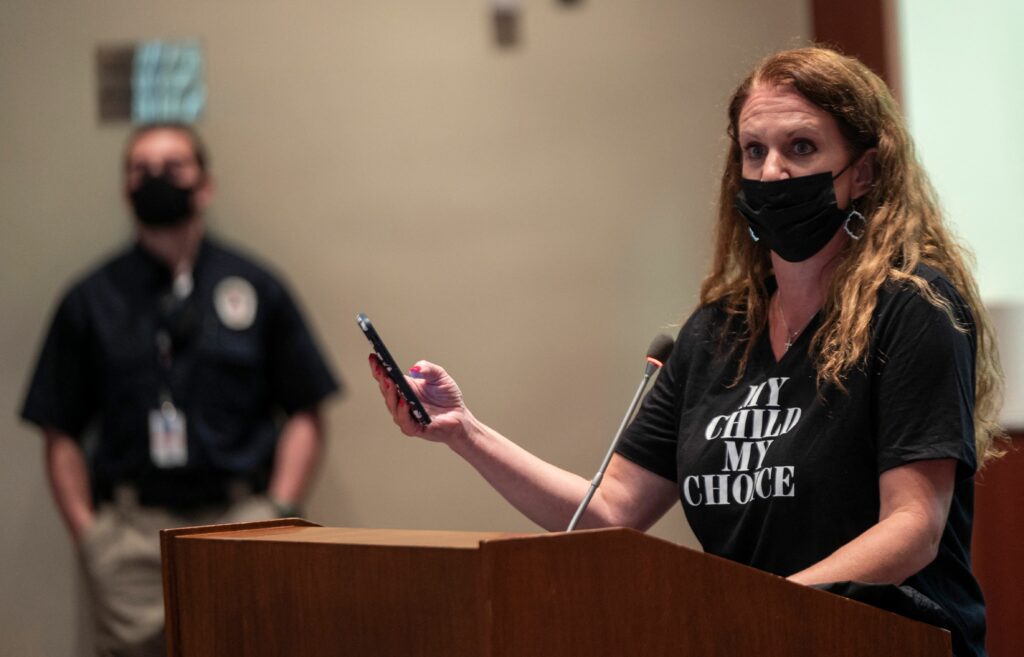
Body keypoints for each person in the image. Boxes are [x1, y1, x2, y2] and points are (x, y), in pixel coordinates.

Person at [368, 47, 1004, 657]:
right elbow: (610, 511)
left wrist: (760, 608)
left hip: (882, 641)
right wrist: (464, 432)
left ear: (862, 172)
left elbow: (913, 528)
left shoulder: (914, 309)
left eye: (801, 148)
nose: (772, 172)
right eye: (754, 151)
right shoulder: (715, 334)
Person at [21, 122, 341, 657]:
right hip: (130, 540)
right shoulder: (89, 299)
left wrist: (278, 510)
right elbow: (59, 428)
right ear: (125, 190)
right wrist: (92, 537)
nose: (155, 179)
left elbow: (307, 408)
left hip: (242, 530)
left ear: (205, 185)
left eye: (173, 168)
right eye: (140, 170)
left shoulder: (257, 287)